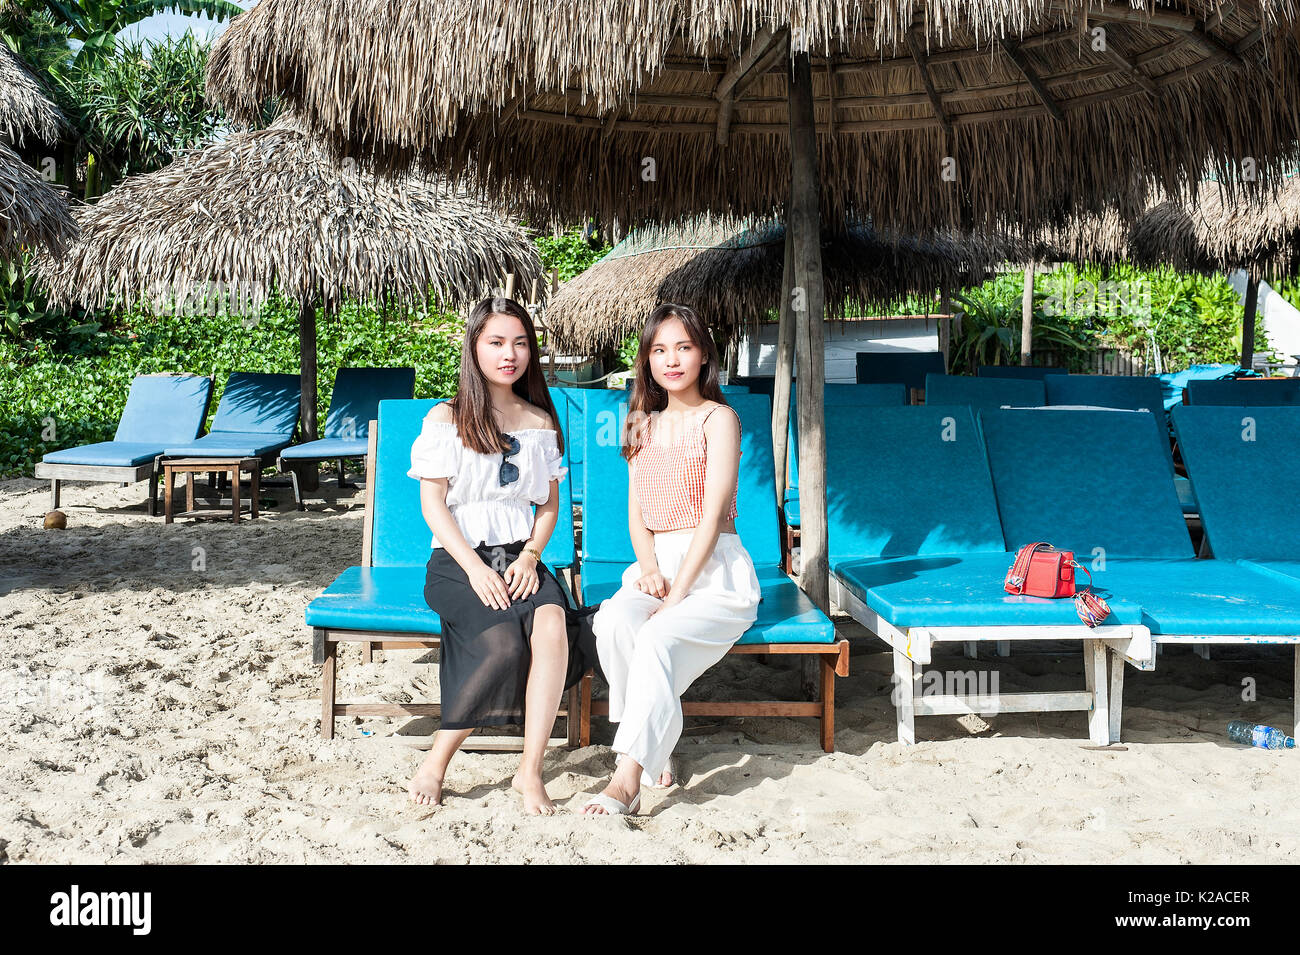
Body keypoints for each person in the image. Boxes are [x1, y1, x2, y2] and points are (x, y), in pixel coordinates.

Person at [406, 296, 585, 815]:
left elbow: (549, 507)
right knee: (505, 644)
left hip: (519, 557)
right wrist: (476, 568)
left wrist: (530, 557)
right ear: (475, 348)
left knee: (552, 625)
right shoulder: (447, 418)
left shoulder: (540, 420)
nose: (511, 353)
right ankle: (437, 761)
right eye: (497, 342)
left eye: (521, 342)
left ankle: (529, 774)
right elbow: (433, 505)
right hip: (458, 561)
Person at [581, 304, 760, 816]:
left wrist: (677, 592)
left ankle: (627, 777)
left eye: (683, 347)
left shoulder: (719, 418)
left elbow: (711, 514)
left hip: (714, 572)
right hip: (657, 565)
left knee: (658, 635)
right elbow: (637, 512)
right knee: (614, 622)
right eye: (660, 350)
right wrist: (652, 569)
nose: (672, 360)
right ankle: (654, 742)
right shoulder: (639, 421)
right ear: (647, 360)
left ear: (704, 354)